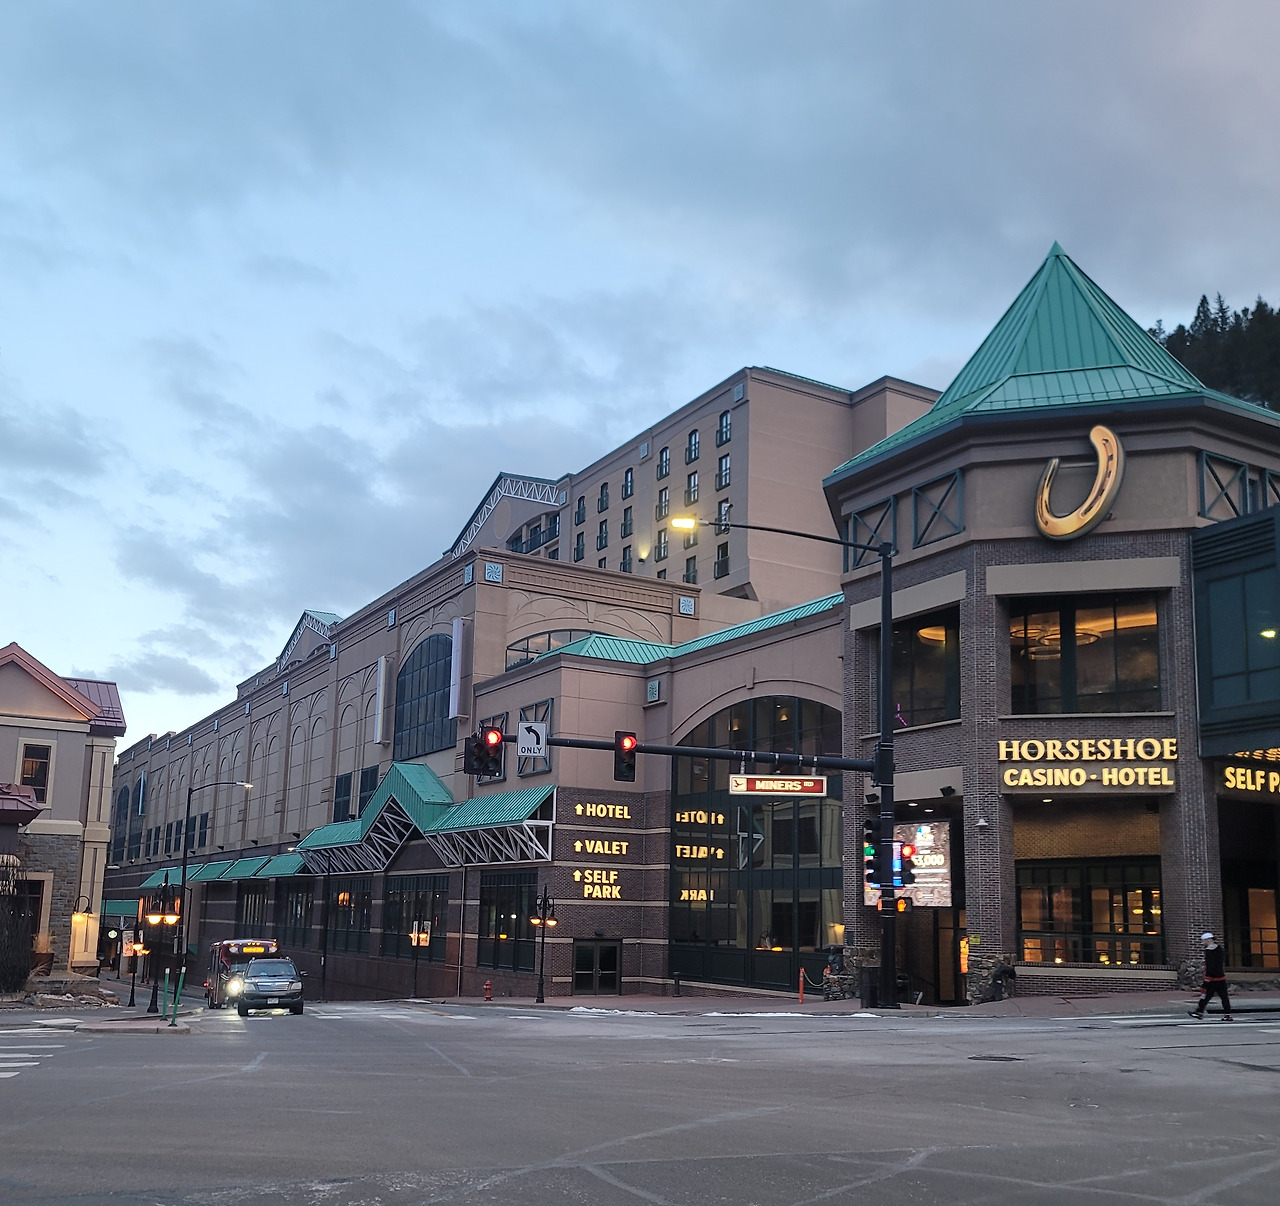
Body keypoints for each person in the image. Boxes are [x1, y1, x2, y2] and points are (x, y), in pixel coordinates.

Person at [1189, 932, 1233, 1021]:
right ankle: (1227, 1014)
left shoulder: (1209, 951)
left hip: (1211, 979)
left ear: (1208, 940)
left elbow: (1210, 966)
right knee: (1224, 997)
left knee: (1205, 995)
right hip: (1221, 977)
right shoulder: (1220, 949)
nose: (1202, 943)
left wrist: (1207, 979)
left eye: (1203, 941)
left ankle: (1199, 1012)